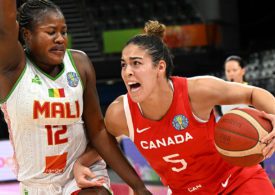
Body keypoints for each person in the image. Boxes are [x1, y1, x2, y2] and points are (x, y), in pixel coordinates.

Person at [104, 20, 275, 194]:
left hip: (236, 180)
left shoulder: (197, 91)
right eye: (123, 64)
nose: (127, 72)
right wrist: (136, 185)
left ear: (160, 67)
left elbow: (252, 93)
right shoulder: (120, 113)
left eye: (136, 63)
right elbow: (101, 140)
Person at [0, 0, 152, 195]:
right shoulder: (12, 69)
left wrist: (138, 187)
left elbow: (97, 131)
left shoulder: (80, 64)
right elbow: (5, 25)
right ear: (27, 35)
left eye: (63, 32)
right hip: (36, 185)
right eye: (51, 32)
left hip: (80, 175)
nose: (60, 39)